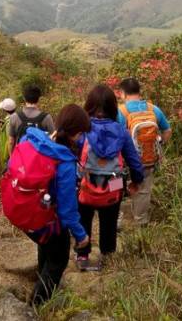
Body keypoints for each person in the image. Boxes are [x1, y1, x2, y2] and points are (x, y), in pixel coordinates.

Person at [16, 104, 91, 305]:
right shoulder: (64, 161)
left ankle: (41, 278)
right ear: (75, 133)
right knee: (57, 261)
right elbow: (67, 210)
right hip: (49, 219)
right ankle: (37, 305)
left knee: (46, 247)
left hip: (26, 212)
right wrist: (81, 236)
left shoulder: (32, 141)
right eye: (81, 133)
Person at [75, 84, 145, 271]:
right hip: (114, 185)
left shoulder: (82, 131)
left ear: (89, 105)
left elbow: (71, 157)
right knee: (109, 222)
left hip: (85, 184)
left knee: (83, 220)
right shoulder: (121, 132)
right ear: (113, 106)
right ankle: (107, 257)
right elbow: (134, 161)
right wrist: (136, 181)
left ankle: (82, 256)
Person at [118, 78, 172, 226]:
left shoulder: (120, 111)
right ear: (139, 92)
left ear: (122, 93)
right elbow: (167, 130)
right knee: (143, 190)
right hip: (148, 158)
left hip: (125, 160)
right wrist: (158, 143)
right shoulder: (153, 109)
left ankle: (117, 223)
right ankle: (141, 221)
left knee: (118, 189)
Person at [7, 84, 55, 154]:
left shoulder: (14, 117)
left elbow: (11, 141)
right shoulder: (46, 117)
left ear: (24, 98)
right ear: (38, 98)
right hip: (40, 158)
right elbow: (53, 139)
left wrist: (12, 158)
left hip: (21, 158)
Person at [0, 98, 16, 166]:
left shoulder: (9, 122)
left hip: (11, 151)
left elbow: (10, 140)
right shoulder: (17, 116)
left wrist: (10, 157)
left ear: (5, 110)